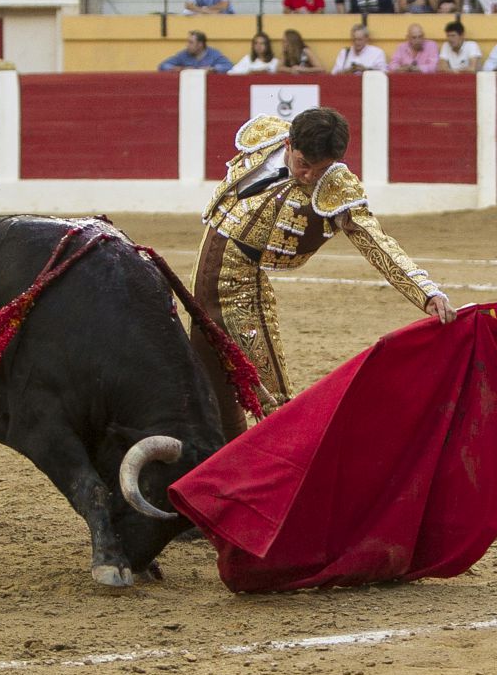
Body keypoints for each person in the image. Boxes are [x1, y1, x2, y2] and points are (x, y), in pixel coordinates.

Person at [192, 108, 456, 441]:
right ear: (288, 144)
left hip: (242, 293)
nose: (308, 176)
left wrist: (425, 292)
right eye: (304, 164)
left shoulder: (336, 187)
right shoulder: (265, 139)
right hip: (201, 284)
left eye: (321, 169)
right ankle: (221, 462)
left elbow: (375, 240)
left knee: (273, 398)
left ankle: (293, 464)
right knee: (209, 382)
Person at [158, 31, 233, 73]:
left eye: (191, 42)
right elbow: (163, 66)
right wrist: (181, 69)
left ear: (200, 44)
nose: (187, 45)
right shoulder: (183, 54)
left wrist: (212, 69)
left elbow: (229, 66)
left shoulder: (213, 54)